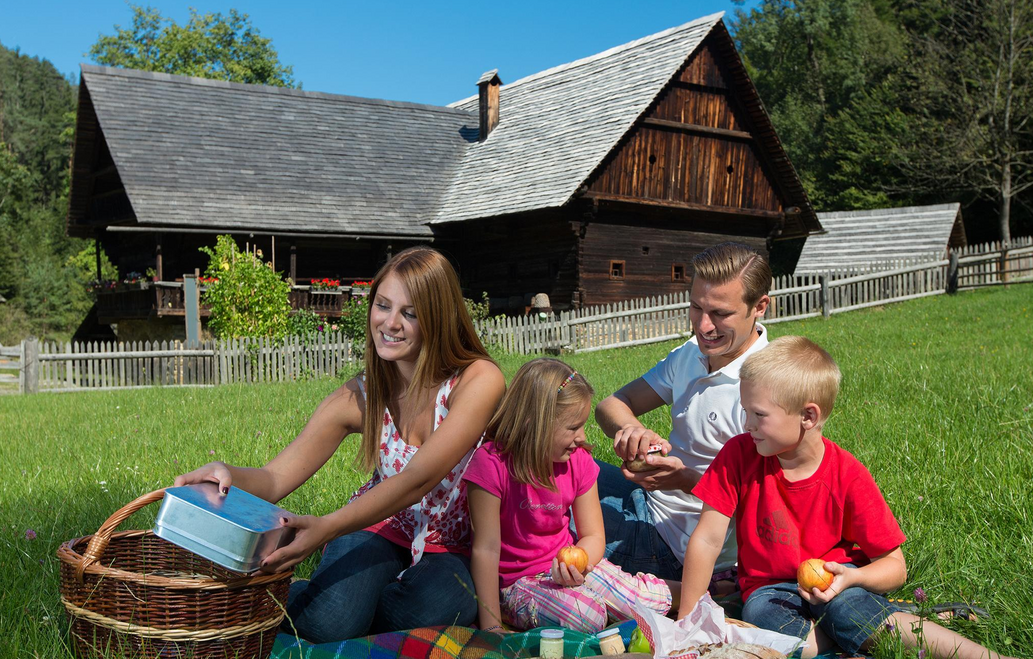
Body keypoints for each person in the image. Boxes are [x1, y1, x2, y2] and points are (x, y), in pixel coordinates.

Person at [174, 247, 505, 643]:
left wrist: (326, 526)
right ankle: (319, 599)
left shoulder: (478, 380)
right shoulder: (361, 395)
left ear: (439, 318)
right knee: (328, 622)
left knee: (431, 614)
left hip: (454, 542)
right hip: (378, 524)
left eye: (410, 313)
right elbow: (276, 477)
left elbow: (419, 478)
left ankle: (355, 602)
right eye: (383, 305)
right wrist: (227, 474)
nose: (390, 323)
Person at [679, 336, 1017, 659]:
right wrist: (687, 623)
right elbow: (708, 538)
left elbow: (895, 566)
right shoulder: (738, 455)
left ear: (808, 416)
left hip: (841, 584)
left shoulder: (847, 475)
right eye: (745, 411)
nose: (746, 424)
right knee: (770, 622)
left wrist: (851, 578)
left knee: (846, 611)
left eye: (759, 414)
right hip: (771, 590)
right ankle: (893, 623)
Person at [593, 242, 771, 584]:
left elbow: (765, 511)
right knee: (543, 469)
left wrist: (685, 480)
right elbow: (611, 405)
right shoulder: (691, 354)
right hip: (648, 502)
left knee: (544, 516)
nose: (703, 326)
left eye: (720, 313)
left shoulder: (767, 387)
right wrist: (632, 430)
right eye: (696, 307)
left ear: (759, 306)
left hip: (681, 550)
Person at [464, 358, 675, 634]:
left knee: (649, 601)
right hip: (518, 583)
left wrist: (580, 564)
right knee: (585, 615)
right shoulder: (491, 464)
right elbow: (486, 549)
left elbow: (593, 535)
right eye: (573, 427)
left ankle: (694, 589)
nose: (582, 437)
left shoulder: (578, 461)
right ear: (534, 423)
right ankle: (595, 608)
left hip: (568, 567)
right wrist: (491, 624)